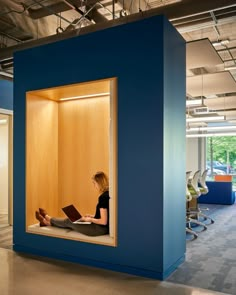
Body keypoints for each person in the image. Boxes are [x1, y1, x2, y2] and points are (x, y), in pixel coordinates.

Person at [35, 171, 110, 237]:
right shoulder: (107, 194)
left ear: (99, 183)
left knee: (69, 221)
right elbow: (104, 216)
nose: (94, 186)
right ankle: (48, 220)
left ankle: (47, 220)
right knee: (74, 219)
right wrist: (92, 216)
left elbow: (103, 221)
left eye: (94, 183)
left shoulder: (103, 197)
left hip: (98, 229)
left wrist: (89, 219)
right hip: (100, 227)